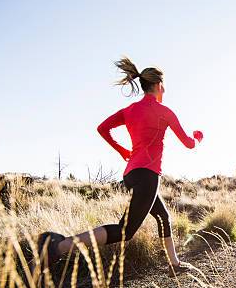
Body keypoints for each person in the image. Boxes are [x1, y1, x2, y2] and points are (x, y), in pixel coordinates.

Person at [37, 57, 203, 276]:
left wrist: (122, 151)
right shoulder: (165, 112)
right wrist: (198, 137)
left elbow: (102, 128)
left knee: (163, 215)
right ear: (158, 85)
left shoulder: (130, 110)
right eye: (164, 86)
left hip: (131, 174)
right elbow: (189, 144)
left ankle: (174, 264)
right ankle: (58, 247)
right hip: (148, 176)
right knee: (125, 231)